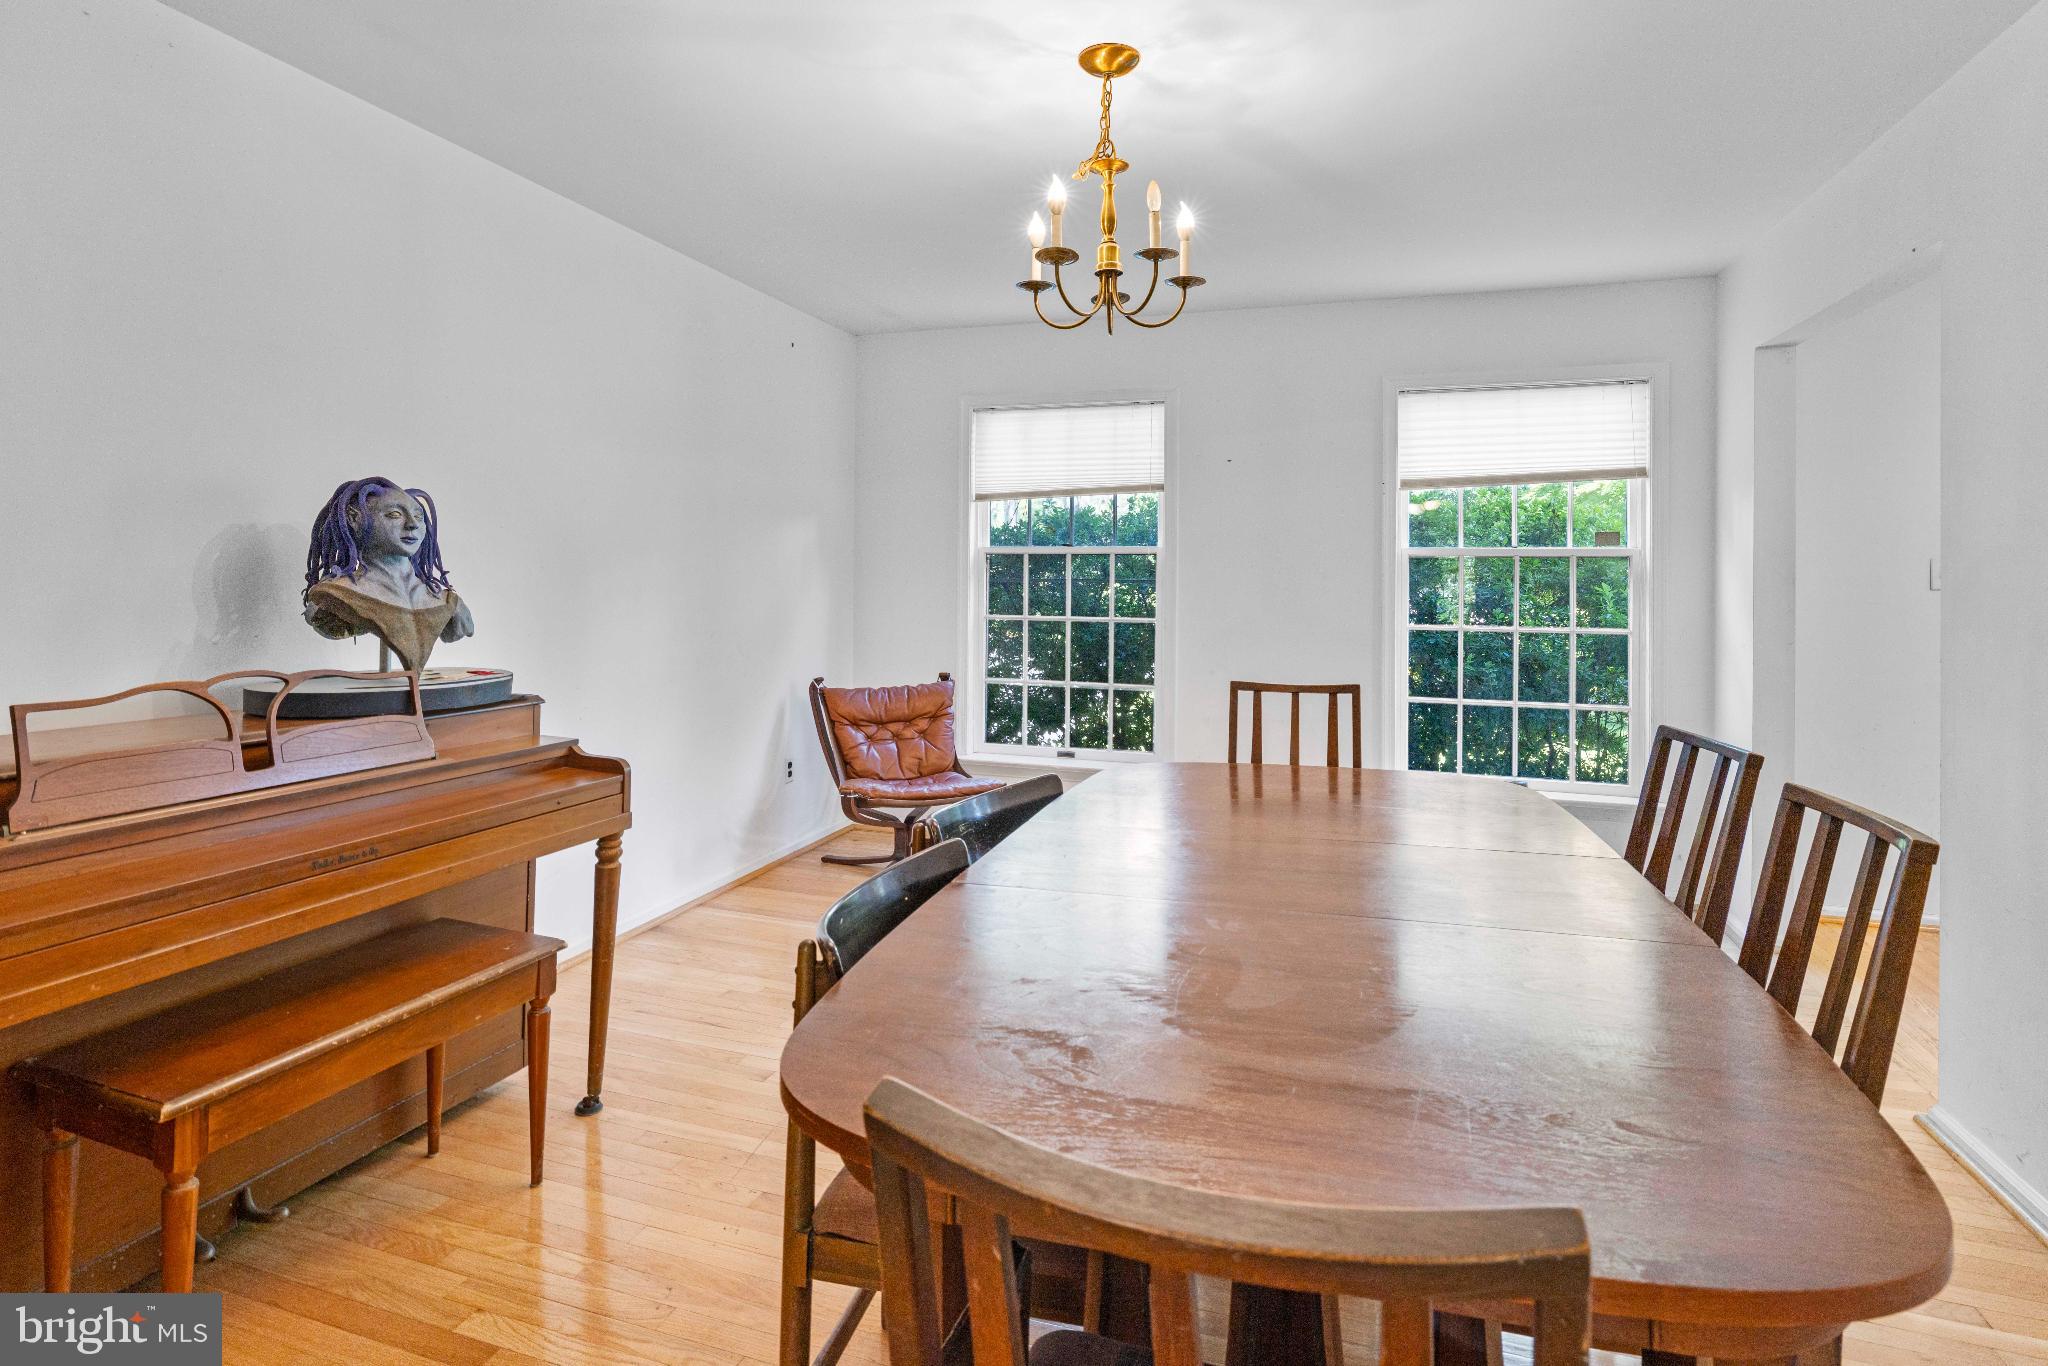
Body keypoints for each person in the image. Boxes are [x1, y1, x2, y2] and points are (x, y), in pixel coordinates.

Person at [302, 476, 475, 671]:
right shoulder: (335, 596)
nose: (412, 524)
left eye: (419, 517)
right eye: (394, 514)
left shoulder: (448, 602)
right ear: (354, 518)